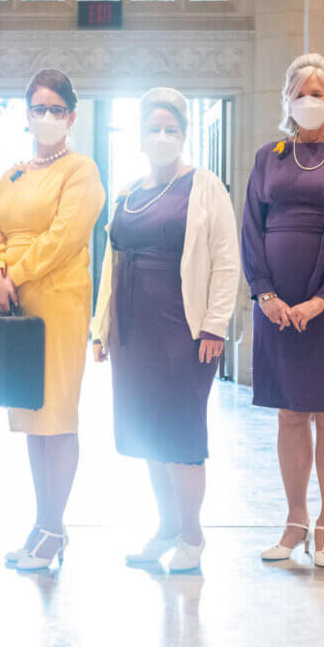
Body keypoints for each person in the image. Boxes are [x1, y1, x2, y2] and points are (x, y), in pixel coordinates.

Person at [91, 87, 239, 572]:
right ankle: (165, 528)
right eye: (153, 130)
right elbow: (112, 263)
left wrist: (215, 325)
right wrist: (101, 327)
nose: (162, 137)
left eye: (170, 130)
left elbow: (224, 259)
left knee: (181, 437)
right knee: (148, 437)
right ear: (139, 135)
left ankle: (192, 537)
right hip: (132, 333)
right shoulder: (129, 192)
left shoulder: (204, 186)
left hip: (183, 333)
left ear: (184, 134)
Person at [241, 53, 324, 568]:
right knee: (289, 414)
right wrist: (266, 294)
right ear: (286, 101)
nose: (309, 101)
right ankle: (294, 518)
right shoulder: (269, 156)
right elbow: (251, 229)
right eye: (299, 93)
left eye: (317, 93)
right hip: (276, 307)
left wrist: (323, 298)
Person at [0, 68, 106, 571]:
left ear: (71, 116)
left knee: (57, 417)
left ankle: (55, 528)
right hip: (14, 302)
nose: (47, 117)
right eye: (39, 108)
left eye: (57, 108)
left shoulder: (81, 170)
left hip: (58, 302)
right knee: (32, 418)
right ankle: (41, 520)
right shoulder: (11, 174)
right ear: (26, 115)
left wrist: (17, 273)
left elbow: (65, 236)